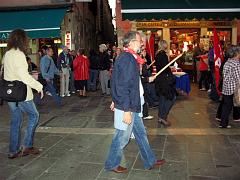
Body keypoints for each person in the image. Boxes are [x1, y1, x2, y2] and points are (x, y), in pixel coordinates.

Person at [105, 31, 165, 173]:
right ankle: (112, 164)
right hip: (128, 107)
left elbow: (119, 80)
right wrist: (125, 109)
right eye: (140, 41)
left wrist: (115, 99)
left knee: (141, 134)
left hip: (133, 105)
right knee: (122, 137)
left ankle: (150, 160)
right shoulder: (127, 59)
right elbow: (122, 85)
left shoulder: (129, 57)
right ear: (131, 42)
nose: (142, 43)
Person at [3, 29, 43, 159]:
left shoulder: (7, 54)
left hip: (10, 93)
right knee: (34, 116)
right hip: (21, 93)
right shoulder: (19, 54)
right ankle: (27, 146)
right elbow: (24, 76)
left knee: (16, 120)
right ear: (22, 40)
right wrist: (39, 86)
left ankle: (13, 150)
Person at [155, 40, 176, 127]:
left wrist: (169, 67)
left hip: (160, 79)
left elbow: (161, 67)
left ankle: (160, 117)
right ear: (164, 45)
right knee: (172, 98)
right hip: (164, 80)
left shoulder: (158, 54)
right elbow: (165, 68)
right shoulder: (163, 55)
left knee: (162, 99)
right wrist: (170, 68)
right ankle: (163, 117)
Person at [219, 45, 240, 128]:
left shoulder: (228, 61)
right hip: (234, 88)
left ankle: (223, 123)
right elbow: (238, 78)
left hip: (226, 87)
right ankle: (224, 123)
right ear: (236, 53)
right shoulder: (236, 64)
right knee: (228, 106)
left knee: (226, 106)